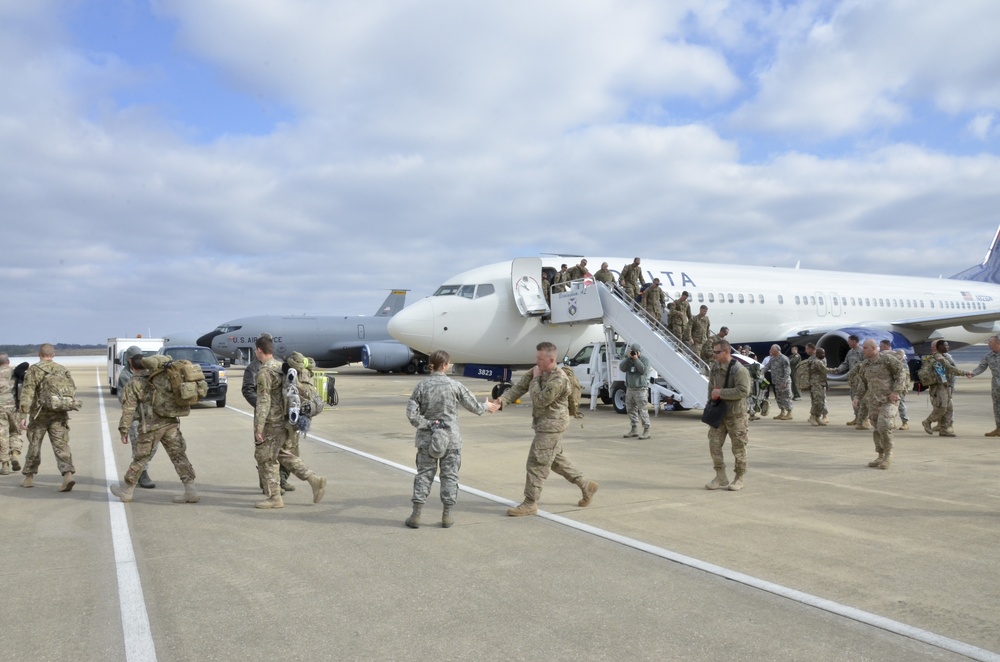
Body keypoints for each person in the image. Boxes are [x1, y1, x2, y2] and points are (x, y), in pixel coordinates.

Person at [487, 341, 598, 516]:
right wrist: (502, 401)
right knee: (554, 460)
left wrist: (537, 378)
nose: (536, 361)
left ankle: (530, 503)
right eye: (536, 358)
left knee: (536, 463)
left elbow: (539, 400)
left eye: (540, 359)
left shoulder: (558, 379)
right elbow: (520, 387)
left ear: (551, 359)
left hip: (552, 425)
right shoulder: (537, 370)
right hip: (543, 424)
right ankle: (586, 485)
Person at [404, 350, 490, 528]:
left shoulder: (421, 386)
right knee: (450, 476)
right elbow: (474, 406)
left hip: (427, 441)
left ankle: (416, 515)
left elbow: (412, 415)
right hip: (451, 440)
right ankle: (447, 516)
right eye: (448, 363)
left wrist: (429, 424)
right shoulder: (454, 385)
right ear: (443, 365)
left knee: (424, 475)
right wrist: (487, 406)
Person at [109, 354, 201, 504]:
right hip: (171, 422)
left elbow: (129, 409)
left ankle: (127, 490)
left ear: (132, 366)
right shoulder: (165, 377)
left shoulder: (134, 382)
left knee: (140, 458)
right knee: (179, 456)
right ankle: (191, 490)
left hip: (150, 426)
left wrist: (123, 429)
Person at [253, 336, 327, 509]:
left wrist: (259, 426)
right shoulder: (281, 367)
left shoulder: (265, 372)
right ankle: (314, 480)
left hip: (272, 422)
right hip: (287, 421)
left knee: (267, 458)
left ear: (259, 350)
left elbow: (263, 401)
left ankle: (275, 498)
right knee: (283, 455)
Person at [18, 344, 77, 491]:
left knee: (34, 444)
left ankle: (29, 477)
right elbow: (72, 390)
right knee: (61, 445)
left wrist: (23, 415)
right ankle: (67, 474)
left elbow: (27, 393)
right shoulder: (62, 369)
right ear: (53, 355)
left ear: (39, 354)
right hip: (59, 413)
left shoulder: (34, 370)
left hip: (39, 415)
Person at [241, 333, 292, 494]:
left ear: (259, 349)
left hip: (278, 416)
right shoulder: (253, 368)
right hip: (264, 415)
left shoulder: (278, 364)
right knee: (263, 453)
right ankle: (266, 484)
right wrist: (261, 407)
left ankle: (281, 480)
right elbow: (247, 390)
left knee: (282, 450)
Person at [854, 338, 908, 469]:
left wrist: (896, 391)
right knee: (877, 428)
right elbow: (863, 383)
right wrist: (857, 397)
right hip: (873, 400)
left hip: (889, 399)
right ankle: (880, 455)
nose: (863, 350)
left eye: (865, 348)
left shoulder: (886, 359)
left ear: (874, 348)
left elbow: (901, 372)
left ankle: (888, 454)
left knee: (884, 425)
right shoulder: (865, 365)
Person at [704, 339, 750, 491]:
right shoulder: (715, 368)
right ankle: (720, 476)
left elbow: (744, 391)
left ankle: (739, 478)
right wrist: (711, 403)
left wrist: (721, 393)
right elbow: (711, 387)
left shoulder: (739, 370)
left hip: (736, 415)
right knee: (714, 444)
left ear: (727, 352)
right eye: (714, 352)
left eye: (717, 352)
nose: (714, 355)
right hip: (719, 414)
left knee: (738, 447)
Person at [118, 345, 156, 489]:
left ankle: (138, 470)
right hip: (135, 418)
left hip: (150, 418)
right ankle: (141, 474)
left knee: (152, 448)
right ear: (129, 360)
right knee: (138, 448)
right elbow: (123, 400)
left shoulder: (150, 374)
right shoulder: (125, 376)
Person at [919, 340, 969, 438]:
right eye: (946, 345)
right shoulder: (939, 357)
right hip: (939, 386)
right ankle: (927, 421)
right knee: (942, 407)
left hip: (946, 385)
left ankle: (944, 429)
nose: (948, 347)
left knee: (949, 408)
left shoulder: (944, 356)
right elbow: (951, 368)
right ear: (940, 347)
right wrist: (965, 373)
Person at [969, 334, 1000, 436]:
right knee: (997, 407)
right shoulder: (988, 356)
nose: (988, 344)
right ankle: (998, 428)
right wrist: (972, 373)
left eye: (990, 342)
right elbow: (981, 367)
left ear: (997, 343)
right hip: (996, 384)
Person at [834, 335, 868, 428]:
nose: (848, 343)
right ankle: (857, 417)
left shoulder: (862, 351)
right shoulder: (850, 352)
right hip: (852, 380)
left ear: (854, 341)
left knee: (862, 399)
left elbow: (866, 363)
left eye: (849, 341)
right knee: (854, 398)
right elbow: (846, 363)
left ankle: (865, 419)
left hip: (861, 379)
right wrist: (838, 369)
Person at [619, 343, 650, 439]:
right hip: (630, 389)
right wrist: (628, 358)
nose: (633, 353)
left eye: (635, 352)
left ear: (639, 352)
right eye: (632, 352)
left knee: (643, 410)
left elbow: (643, 370)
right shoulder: (629, 360)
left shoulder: (644, 360)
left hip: (641, 389)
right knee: (630, 409)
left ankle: (646, 430)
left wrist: (636, 359)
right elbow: (622, 368)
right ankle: (634, 429)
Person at [879, 339, 910, 430]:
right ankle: (892, 422)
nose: (880, 348)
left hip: (900, 384)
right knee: (890, 404)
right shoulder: (886, 357)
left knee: (900, 403)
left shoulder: (898, 355)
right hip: (891, 383)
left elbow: (903, 372)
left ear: (886, 346)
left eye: (881, 346)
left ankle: (905, 422)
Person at [805, 344, 835, 426]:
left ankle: (817, 417)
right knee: (817, 402)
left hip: (821, 383)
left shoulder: (819, 360)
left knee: (821, 402)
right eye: (821, 354)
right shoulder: (817, 362)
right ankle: (812, 417)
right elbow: (825, 370)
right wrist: (836, 370)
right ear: (817, 354)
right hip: (816, 384)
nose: (823, 355)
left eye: (824, 354)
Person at [0, 354, 17, 475]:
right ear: (8, 361)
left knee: (2, 435)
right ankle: (15, 453)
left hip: (0, 408)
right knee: (15, 432)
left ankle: (5, 465)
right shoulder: (16, 372)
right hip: (13, 407)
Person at [767, 345, 794, 420]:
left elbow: (787, 371)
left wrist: (784, 382)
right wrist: (761, 372)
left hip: (784, 382)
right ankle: (782, 412)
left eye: (771, 349)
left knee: (786, 397)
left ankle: (789, 413)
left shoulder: (784, 358)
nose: (770, 351)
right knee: (779, 398)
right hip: (776, 382)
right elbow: (767, 366)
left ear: (776, 350)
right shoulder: (772, 359)